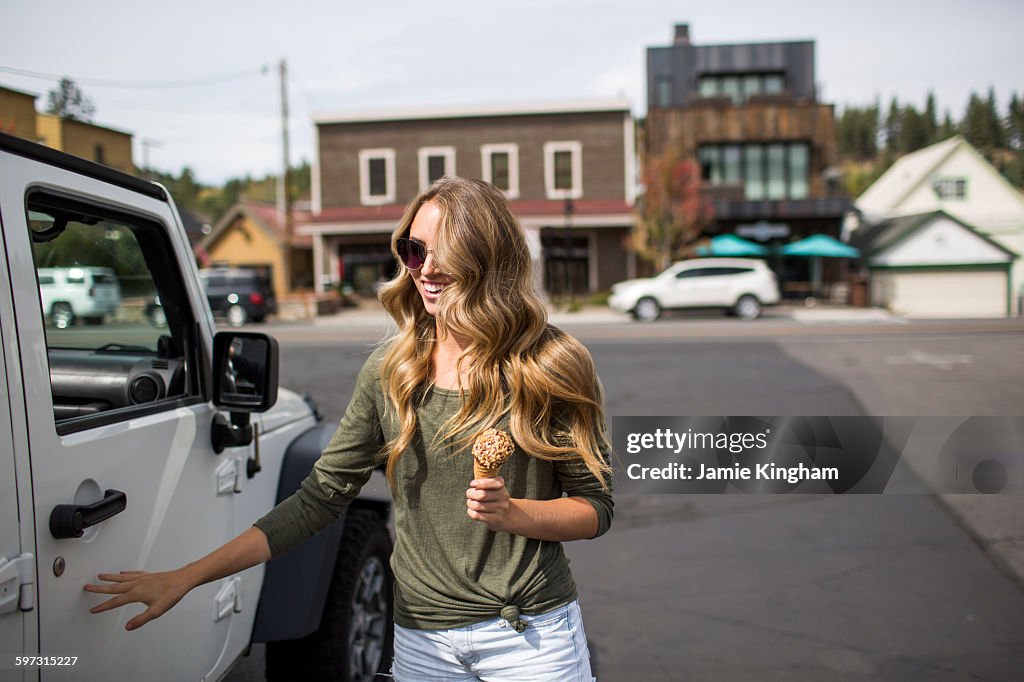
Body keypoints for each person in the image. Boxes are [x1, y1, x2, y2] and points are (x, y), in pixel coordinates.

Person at [84, 176, 614, 681]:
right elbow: (319, 499)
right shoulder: (393, 371)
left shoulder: (550, 364)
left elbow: (595, 508)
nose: (424, 269)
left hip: (528, 637)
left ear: (487, 257)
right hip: (421, 640)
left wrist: (514, 513)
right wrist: (187, 576)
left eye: (443, 252)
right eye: (414, 250)